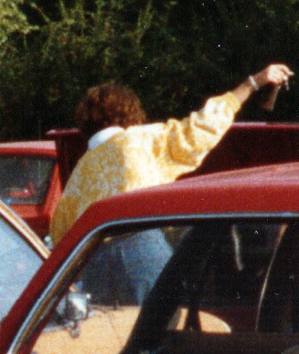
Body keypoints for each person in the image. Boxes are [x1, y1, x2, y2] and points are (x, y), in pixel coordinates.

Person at [51, 62, 292, 305]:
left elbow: (61, 236)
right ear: (129, 114)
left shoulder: (78, 175)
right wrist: (253, 83)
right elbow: (201, 127)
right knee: (167, 329)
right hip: (142, 251)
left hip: (96, 268)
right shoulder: (139, 140)